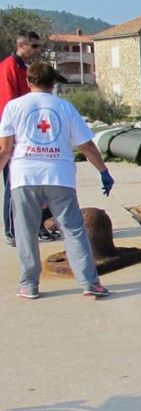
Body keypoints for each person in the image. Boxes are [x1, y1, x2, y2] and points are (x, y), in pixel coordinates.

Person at [0, 63, 114, 299]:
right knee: (73, 230)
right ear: (53, 84)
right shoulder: (65, 107)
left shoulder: (13, 107)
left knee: (26, 232)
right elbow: (86, 145)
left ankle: (29, 284)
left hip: (24, 177)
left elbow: (5, 150)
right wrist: (103, 171)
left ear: (28, 81)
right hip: (59, 176)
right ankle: (89, 282)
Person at [1, 30, 59, 247]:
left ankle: (43, 226)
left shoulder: (28, 69)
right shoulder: (9, 68)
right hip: (16, 138)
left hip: (34, 136)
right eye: (34, 46)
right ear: (22, 45)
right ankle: (12, 230)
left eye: (39, 46)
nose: (38, 50)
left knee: (40, 184)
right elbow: (8, 105)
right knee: (13, 184)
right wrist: (11, 140)